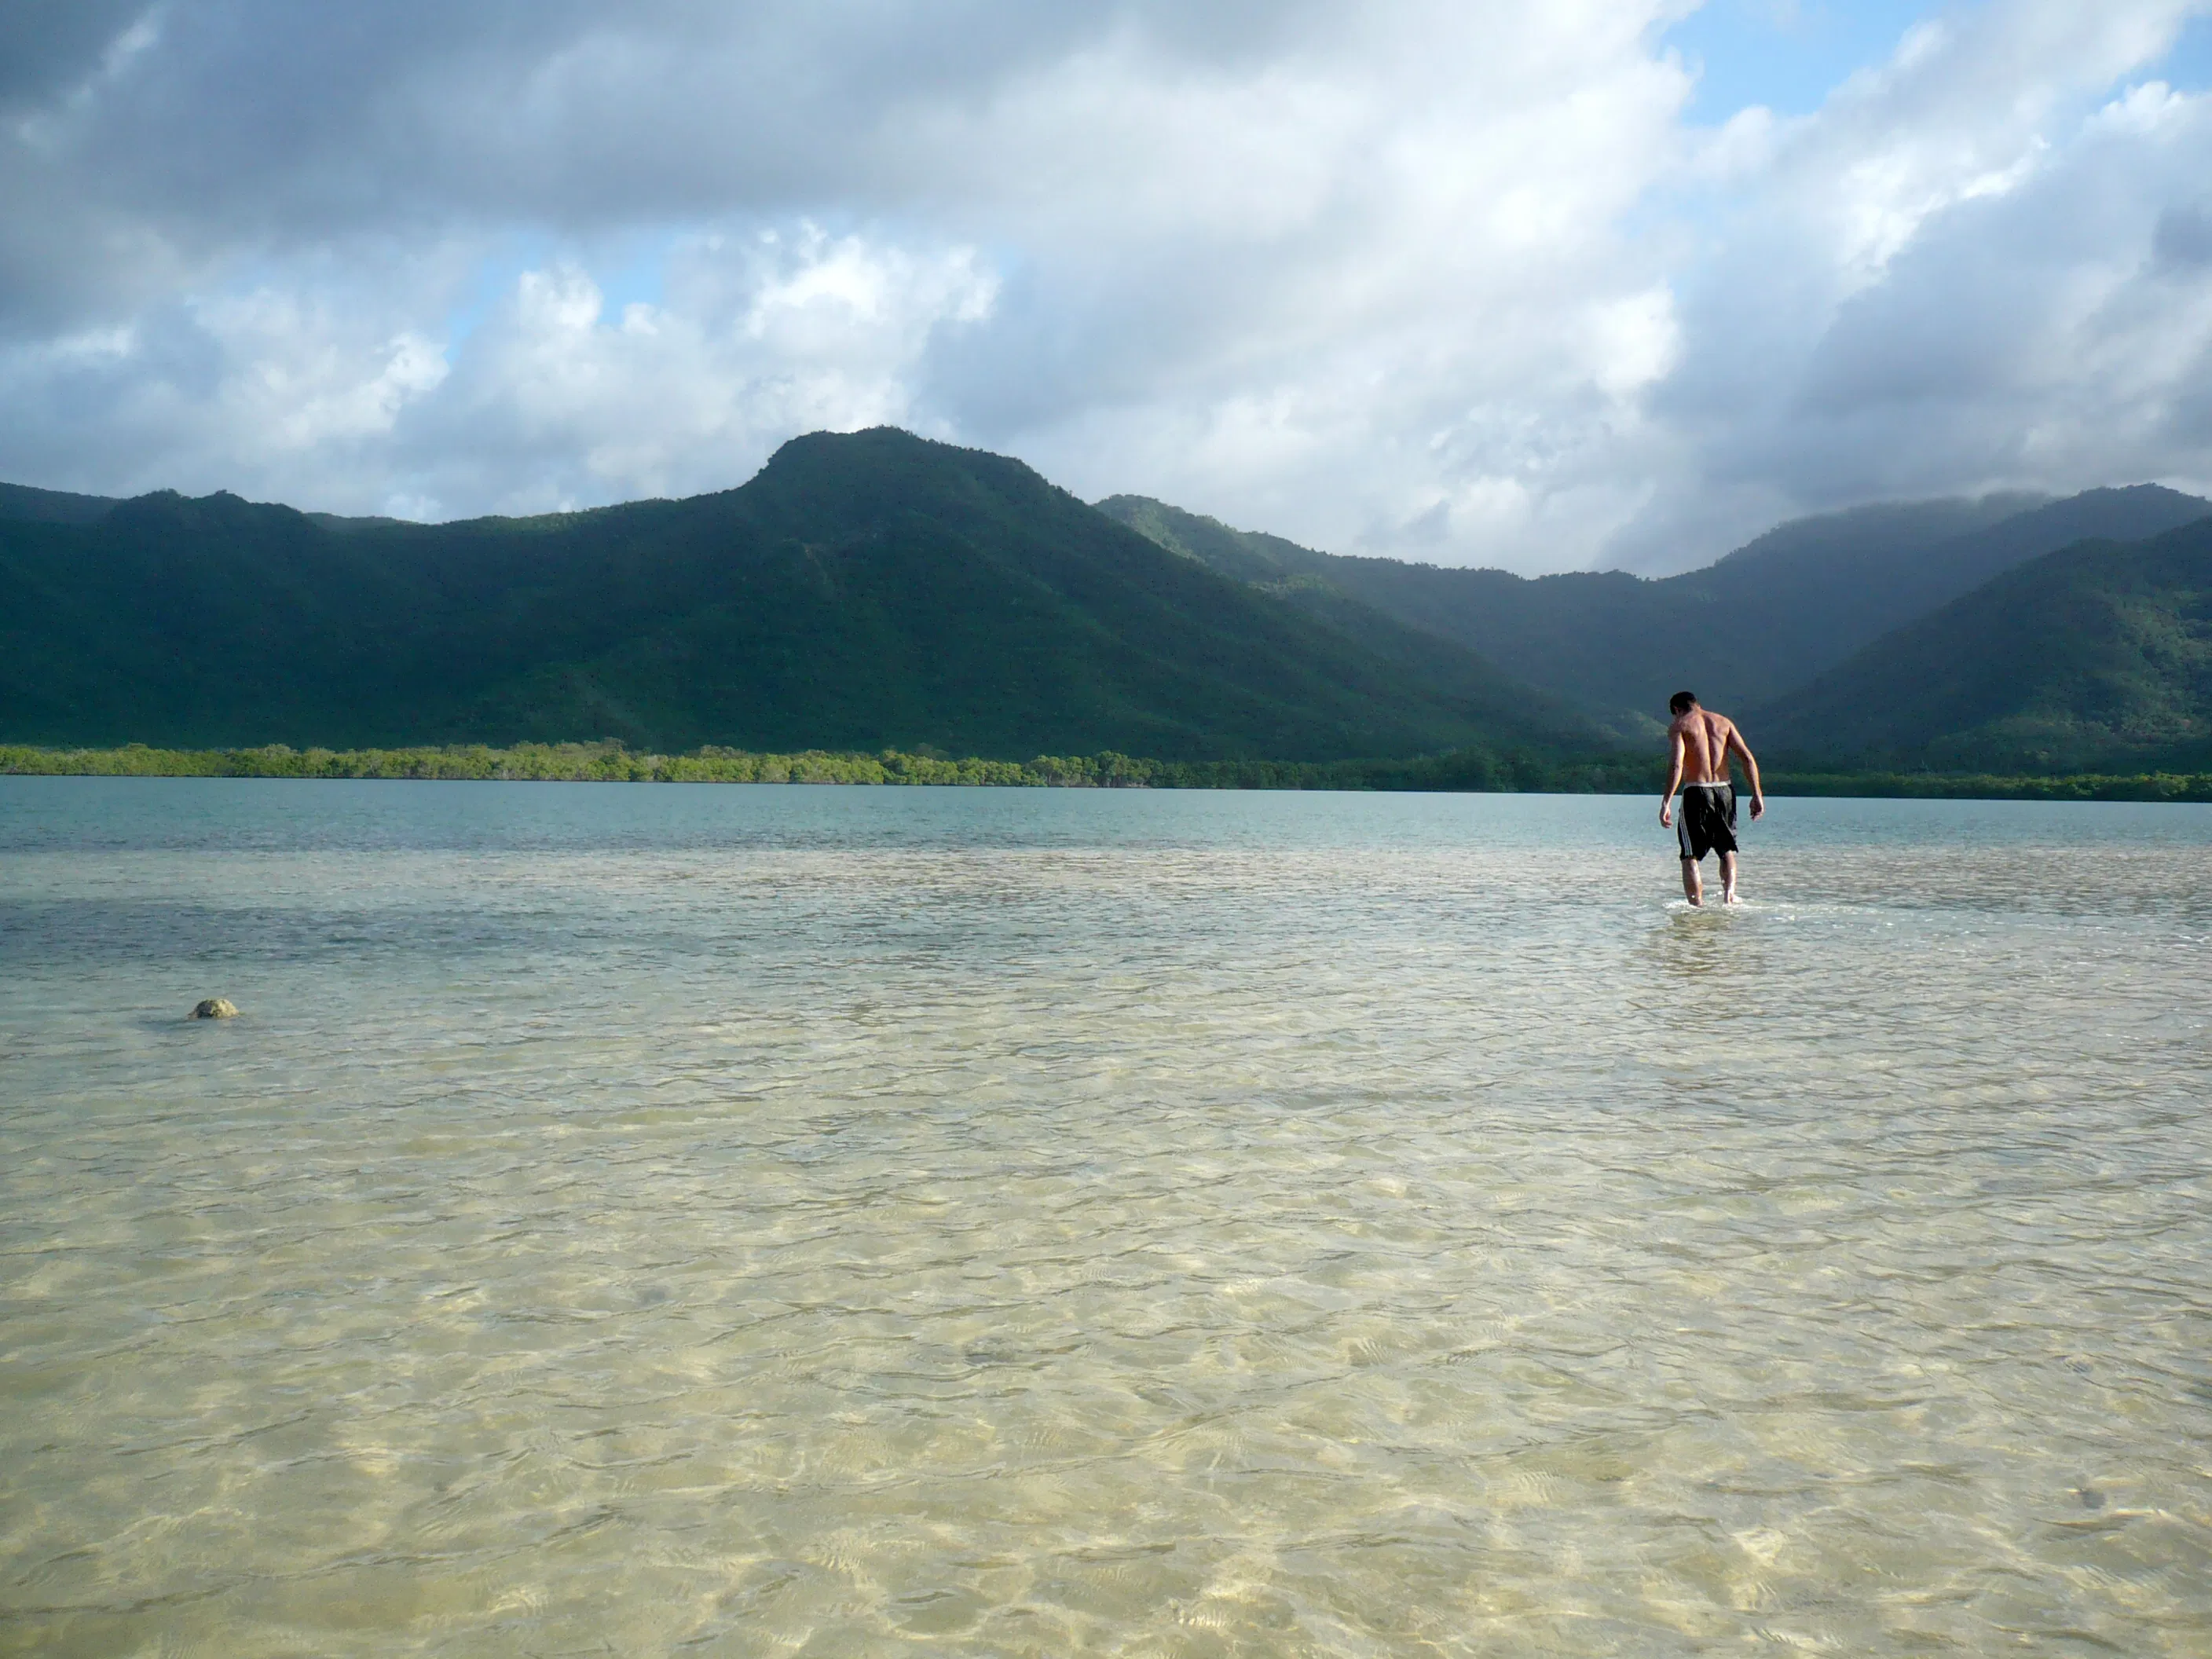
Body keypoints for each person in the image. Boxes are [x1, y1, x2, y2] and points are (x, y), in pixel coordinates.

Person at [1659, 690, 1764, 906]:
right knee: (1726, 849)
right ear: (1696, 704)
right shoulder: (1723, 722)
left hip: (1697, 791)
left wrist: (1666, 802)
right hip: (1725, 791)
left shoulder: (1680, 726)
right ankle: (1729, 898)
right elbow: (1747, 758)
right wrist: (1757, 794)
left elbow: (1677, 764)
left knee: (1689, 854)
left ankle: (1696, 906)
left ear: (1677, 710)